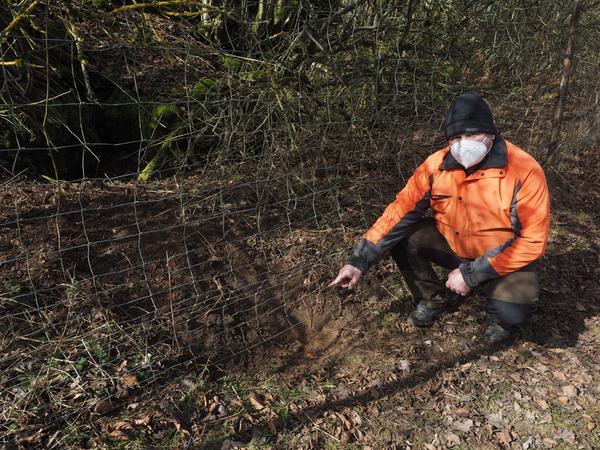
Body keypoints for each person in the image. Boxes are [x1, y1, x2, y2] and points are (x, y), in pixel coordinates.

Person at [330, 91, 550, 343]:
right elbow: (399, 211)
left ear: (491, 133)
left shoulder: (523, 169)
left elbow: (531, 240)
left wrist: (471, 274)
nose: (463, 143)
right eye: (455, 137)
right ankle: (432, 298)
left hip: (501, 256)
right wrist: (359, 260)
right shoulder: (435, 166)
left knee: (513, 312)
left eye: (471, 135)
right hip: (454, 245)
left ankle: (501, 319)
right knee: (405, 236)